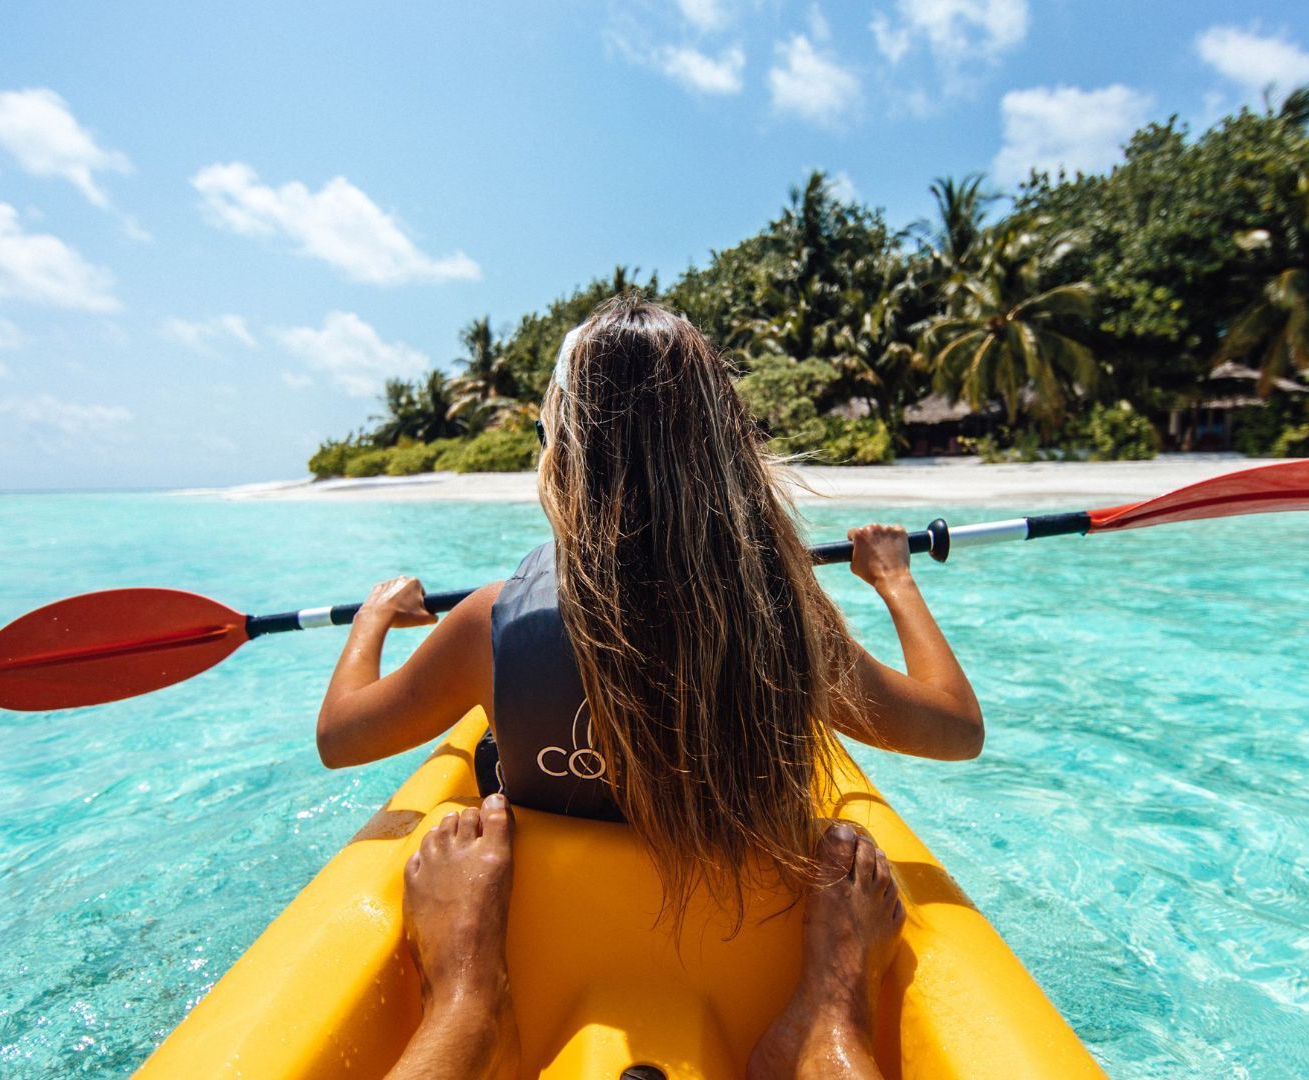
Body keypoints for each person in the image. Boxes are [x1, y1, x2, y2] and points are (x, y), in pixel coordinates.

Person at [316, 297, 984, 1079]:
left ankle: (470, 1002)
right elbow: (953, 731)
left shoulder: (490, 624)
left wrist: (372, 619)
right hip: (744, 934)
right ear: (727, 444)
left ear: (561, 450)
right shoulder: (787, 619)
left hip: (546, 925)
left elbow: (341, 737)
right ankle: (827, 1015)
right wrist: (895, 581)